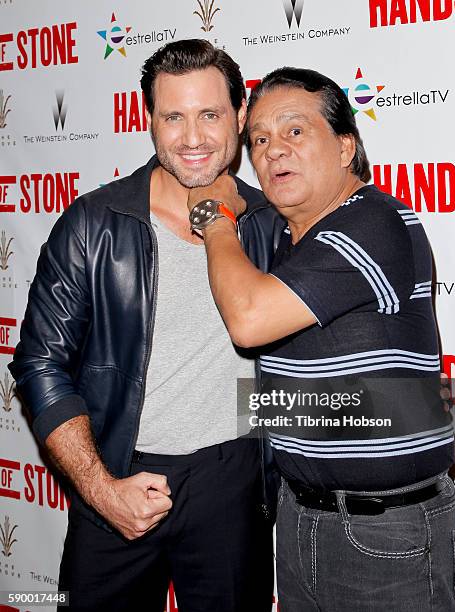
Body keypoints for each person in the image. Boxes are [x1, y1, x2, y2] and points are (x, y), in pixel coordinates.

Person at [8, 40, 283, 612]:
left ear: (238, 114)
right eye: (173, 117)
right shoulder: (94, 223)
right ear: (148, 121)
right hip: (116, 475)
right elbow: (39, 363)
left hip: (230, 482)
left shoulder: (269, 223)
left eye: (210, 114)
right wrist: (101, 489)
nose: (193, 138)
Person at [186, 67, 455, 611]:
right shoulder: (297, 244)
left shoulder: (370, 222)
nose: (271, 150)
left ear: (344, 147)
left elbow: (247, 319)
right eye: (259, 139)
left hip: (388, 538)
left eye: (294, 131)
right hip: (301, 521)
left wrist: (214, 216)